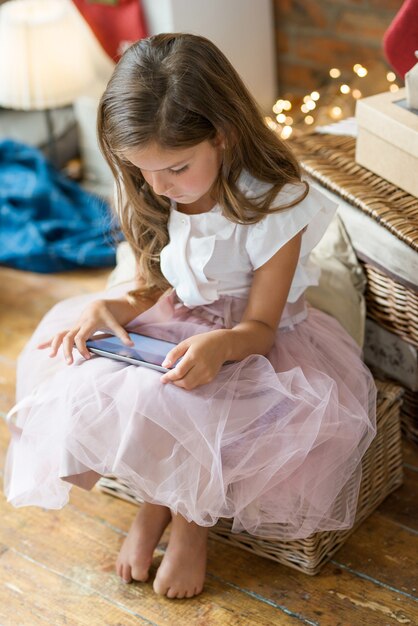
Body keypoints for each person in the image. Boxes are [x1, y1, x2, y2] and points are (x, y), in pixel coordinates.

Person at [4, 33, 376, 600]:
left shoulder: (275, 205)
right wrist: (116, 306)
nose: (158, 185)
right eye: (143, 170)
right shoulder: (153, 186)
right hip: (179, 319)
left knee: (197, 405)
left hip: (247, 339)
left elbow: (261, 329)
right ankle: (154, 508)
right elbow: (159, 283)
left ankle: (188, 529)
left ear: (222, 135)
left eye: (175, 167)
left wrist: (219, 346)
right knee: (106, 382)